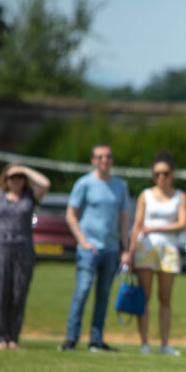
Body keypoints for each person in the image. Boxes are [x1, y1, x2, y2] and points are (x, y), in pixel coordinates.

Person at [59, 144, 132, 352]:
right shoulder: (84, 183)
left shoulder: (120, 185)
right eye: (100, 157)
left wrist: (125, 249)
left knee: (104, 294)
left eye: (108, 156)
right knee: (82, 291)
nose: (104, 160)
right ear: (93, 160)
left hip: (110, 249)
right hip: (88, 249)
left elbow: (124, 218)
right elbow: (71, 214)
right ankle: (71, 339)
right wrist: (82, 241)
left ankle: (96, 340)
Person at [0, 163, 51, 349]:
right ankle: (1, 336)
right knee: (2, 292)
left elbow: (45, 183)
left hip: (23, 248)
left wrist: (24, 169)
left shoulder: (29, 196)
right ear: (5, 179)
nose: (16, 180)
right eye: (12, 177)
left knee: (19, 292)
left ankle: (13, 336)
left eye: (19, 177)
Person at [129, 151, 186, 356]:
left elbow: (182, 223)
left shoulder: (180, 196)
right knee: (144, 296)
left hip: (169, 249)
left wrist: (155, 228)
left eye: (165, 173)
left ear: (172, 173)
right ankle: (144, 342)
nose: (161, 177)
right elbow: (137, 225)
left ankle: (164, 343)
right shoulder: (145, 195)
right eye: (157, 174)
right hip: (146, 249)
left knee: (165, 298)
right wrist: (129, 253)